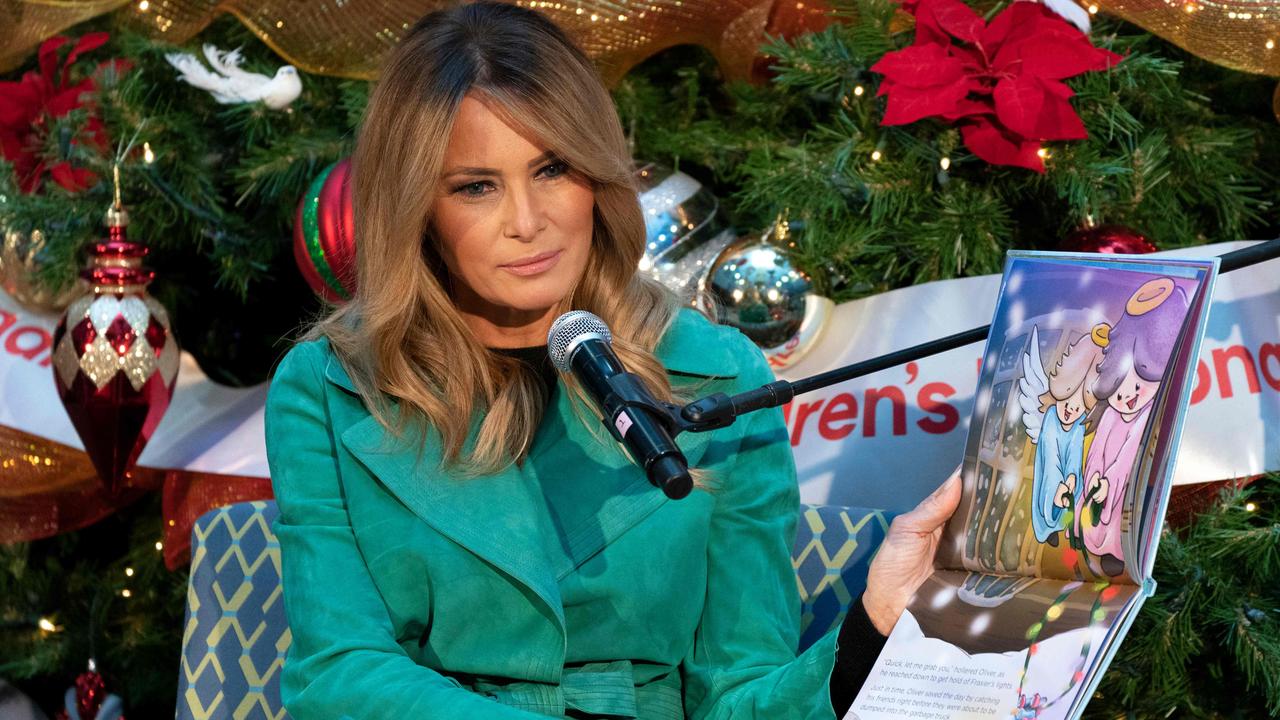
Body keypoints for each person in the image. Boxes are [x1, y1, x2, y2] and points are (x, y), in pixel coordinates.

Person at [264, 3, 961, 718]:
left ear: (596, 175)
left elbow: (741, 691)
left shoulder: (718, 372)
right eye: (476, 186)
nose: (528, 222)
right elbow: (339, 673)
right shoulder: (332, 386)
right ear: (419, 206)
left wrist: (874, 627)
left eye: (553, 168)